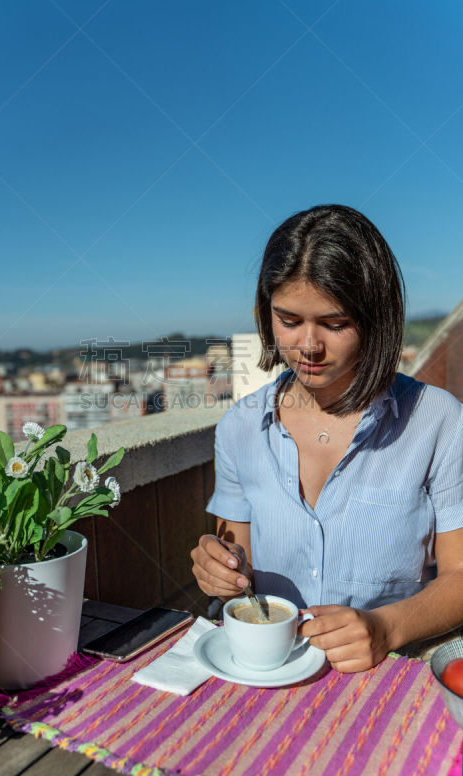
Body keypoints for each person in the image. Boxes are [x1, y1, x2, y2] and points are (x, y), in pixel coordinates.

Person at [191, 204, 463, 673]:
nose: (308, 347)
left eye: (335, 324)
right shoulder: (239, 427)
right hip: (269, 671)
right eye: (289, 320)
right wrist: (217, 570)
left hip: (389, 673)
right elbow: (236, 563)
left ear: (376, 318)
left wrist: (386, 628)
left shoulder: (437, 420)